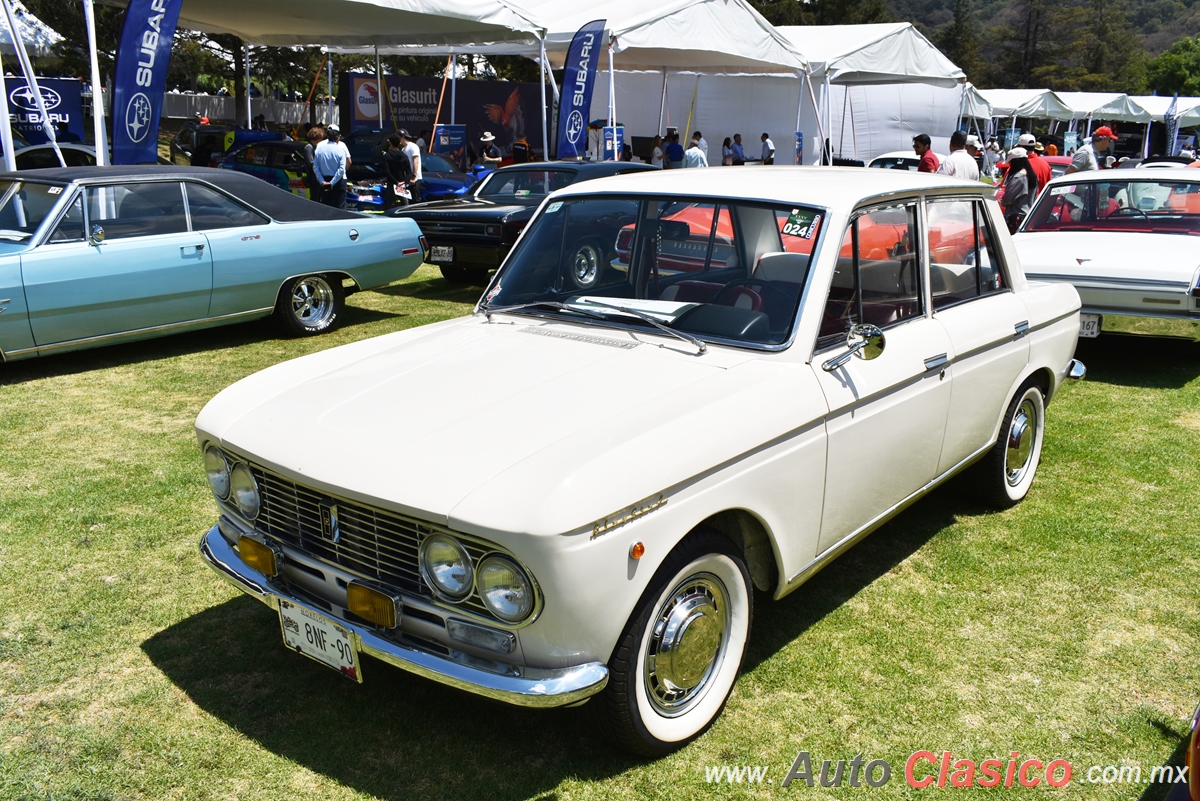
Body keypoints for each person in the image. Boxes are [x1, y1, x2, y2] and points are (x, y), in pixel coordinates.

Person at [1001, 147, 1038, 233]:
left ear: (1016, 162)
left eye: (1011, 162)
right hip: (1028, 217)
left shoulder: (1018, 178)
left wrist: (1002, 200)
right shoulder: (1032, 176)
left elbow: (1007, 200)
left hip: (1015, 219)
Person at [312, 124, 348, 209]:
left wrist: (322, 181)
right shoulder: (340, 150)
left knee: (326, 207)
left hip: (324, 180)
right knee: (340, 208)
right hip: (338, 181)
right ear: (338, 137)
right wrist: (332, 183)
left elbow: (315, 167)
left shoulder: (320, 149)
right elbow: (342, 168)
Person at [382, 133, 414, 209]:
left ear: (390, 143)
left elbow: (387, 171)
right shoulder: (404, 156)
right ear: (399, 143)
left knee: (391, 205)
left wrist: (396, 182)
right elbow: (409, 172)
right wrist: (404, 182)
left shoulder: (387, 156)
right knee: (404, 206)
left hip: (391, 183)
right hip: (402, 185)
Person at [398, 129, 423, 203]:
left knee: (415, 200)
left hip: (414, 179)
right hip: (408, 179)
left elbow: (416, 161)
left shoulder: (413, 147)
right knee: (409, 201)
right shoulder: (403, 149)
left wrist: (414, 176)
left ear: (402, 137)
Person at [303, 126, 324, 201]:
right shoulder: (309, 147)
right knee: (315, 198)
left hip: (317, 178)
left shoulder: (315, 147)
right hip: (313, 178)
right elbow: (311, 162)